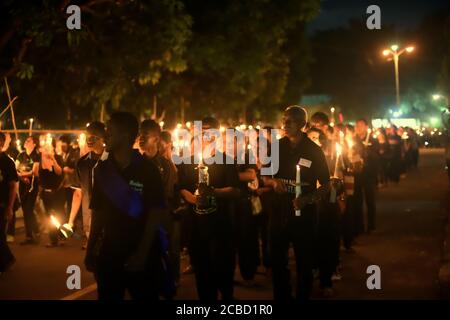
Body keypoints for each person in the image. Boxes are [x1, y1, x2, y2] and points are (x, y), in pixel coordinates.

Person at [85, 112, 166, 300]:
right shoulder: (102, 169)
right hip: (110, 252)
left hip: (143, 253)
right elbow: (98, 213)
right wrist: (90, 250)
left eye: (111, 131)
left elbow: (155, 214)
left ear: (126, 135)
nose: (106, 136)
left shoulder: (148, 170)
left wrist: (142, 252)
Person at [262, 106, 330, 300]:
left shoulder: (314, 150)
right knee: (277, 260)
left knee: (304, 261)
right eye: (284, 119)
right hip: (279, 210)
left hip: (304, 213)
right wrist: (273, 181)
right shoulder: (276, 147)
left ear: (302, 124)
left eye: (290, 120)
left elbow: (326, 185)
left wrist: (307, 199)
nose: (285, 123)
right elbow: (264, 175)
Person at [177, 116, 240, 301]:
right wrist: (193, 198)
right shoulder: (187, 160)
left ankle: (227, 295)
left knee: (222, 267)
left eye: (210, 131)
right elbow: (182, 187)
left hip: (221, 225)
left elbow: (235, 190)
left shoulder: (225, 160)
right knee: (202, 268)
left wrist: (213, 193)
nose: (205, 135)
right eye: (202, 131)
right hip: (196, 225)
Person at [139, 120, 180, 293]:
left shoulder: (165, 165)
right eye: (140, 134)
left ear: (156, 139)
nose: (141, 138)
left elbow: (166, 196)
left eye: (145, 135)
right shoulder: (135, 163)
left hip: (159, 221)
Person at [67, 122, 106, 249]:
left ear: (102, 138)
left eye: (94, 137)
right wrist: (70, 221)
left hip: (109, 218)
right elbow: (78, 193)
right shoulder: (82, 163)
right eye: (88, 136)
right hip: (89, 217)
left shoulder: (112, 160)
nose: (89, 140)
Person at [354, 119, 379, 234]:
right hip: (357, 174)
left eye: (361, 125)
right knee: (357, 202)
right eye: (357, 125)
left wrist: (367, 152)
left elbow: (377, 156)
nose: (358, 127)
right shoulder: (353, 140)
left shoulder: (373, 140)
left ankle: (371, 226)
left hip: (369, 174)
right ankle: (359, 225)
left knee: (370, 201)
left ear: (366, 127)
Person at [39, 138, 65, 247]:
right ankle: (53, 239)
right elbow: (38, 175)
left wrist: (53, 159)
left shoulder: (58, 158)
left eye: (49, 148)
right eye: (45, 148)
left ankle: (61, 235)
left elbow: (59, 172)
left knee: (60, 214)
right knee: (49, 216)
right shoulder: (40, 161)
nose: (47, 150)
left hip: (58, 192)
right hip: (46, 193)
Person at [17, 136, 41, 245]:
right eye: (25, 140)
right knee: (27, 210)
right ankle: (36, 229)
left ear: (34, 144)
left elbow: (35, 172)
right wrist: (22, 177)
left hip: (32, 186)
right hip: (22, 186)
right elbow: (15, 168)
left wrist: (24, 174)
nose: (25, 141)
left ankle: (29, 236)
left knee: (28, 210)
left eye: (28, 140)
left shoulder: (36, 156)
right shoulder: (21, 155)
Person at [0, 132, 19, 274]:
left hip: (1, 204)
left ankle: (5, 262)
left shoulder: (7, 162)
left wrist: (10, 207)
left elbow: (13, 185)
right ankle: (7, 260)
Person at [59, 135, 80, 221]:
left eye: (63, 145)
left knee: (71, 206)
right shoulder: (62, 154)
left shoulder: (74, 153)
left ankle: (71, 225)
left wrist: (70, 170)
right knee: (63, 205)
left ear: (67, 144)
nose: (61, 147)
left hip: (72, 184)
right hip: (64, 184)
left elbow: (79, 170)